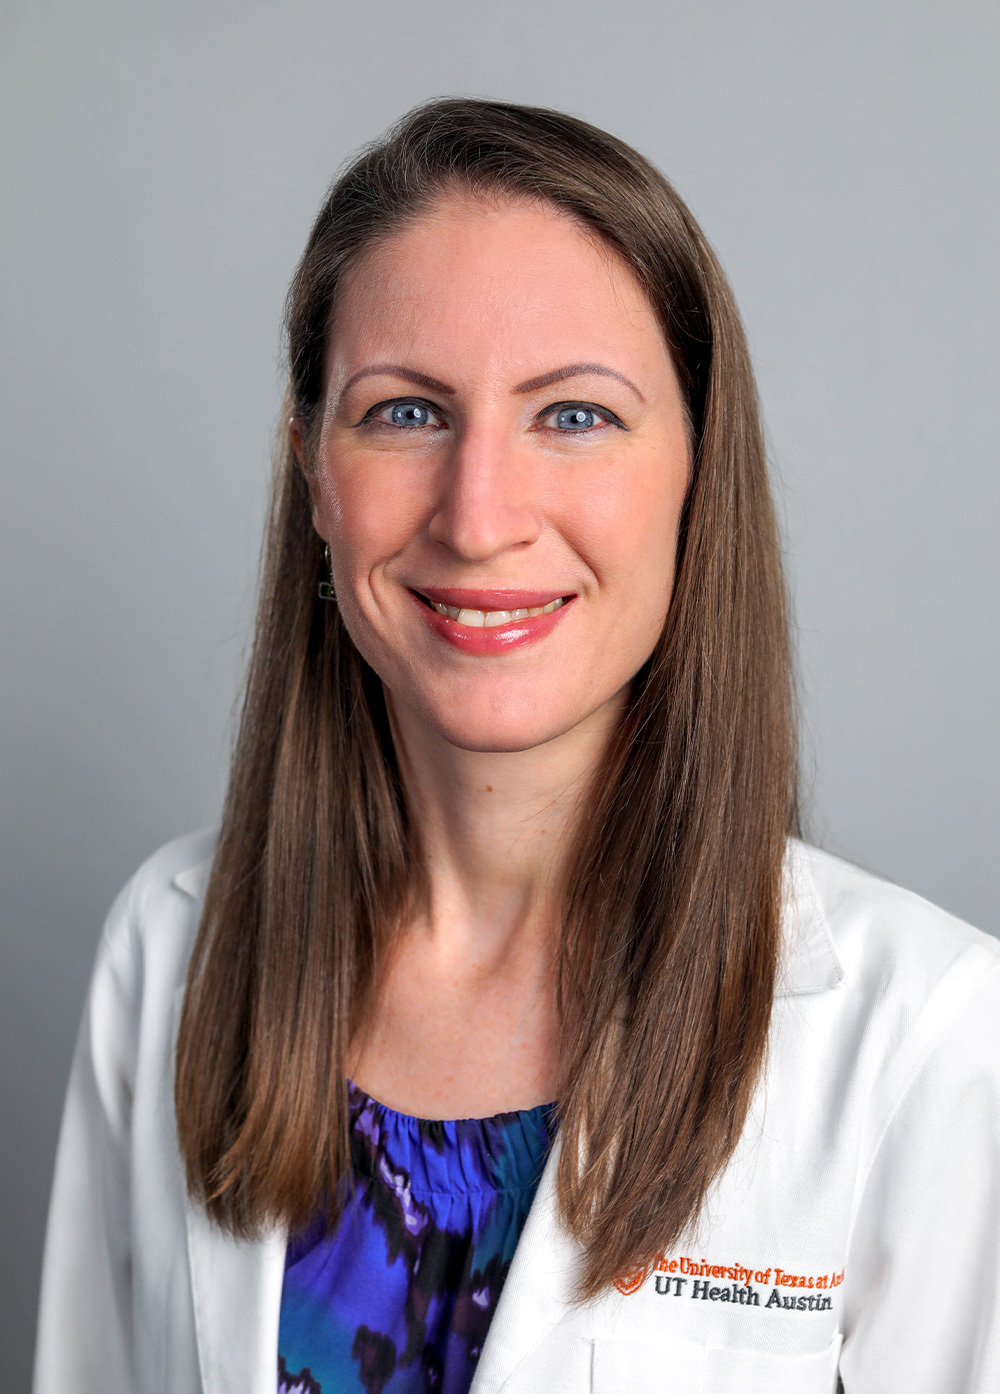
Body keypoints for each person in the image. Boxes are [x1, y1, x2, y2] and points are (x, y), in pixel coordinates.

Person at [33, 97, 1000, 1394]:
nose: (480, 516)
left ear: (701, 474)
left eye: (576, 416)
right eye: (406, 413)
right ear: (312, 470)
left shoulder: (935, 1041)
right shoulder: (167, 946)